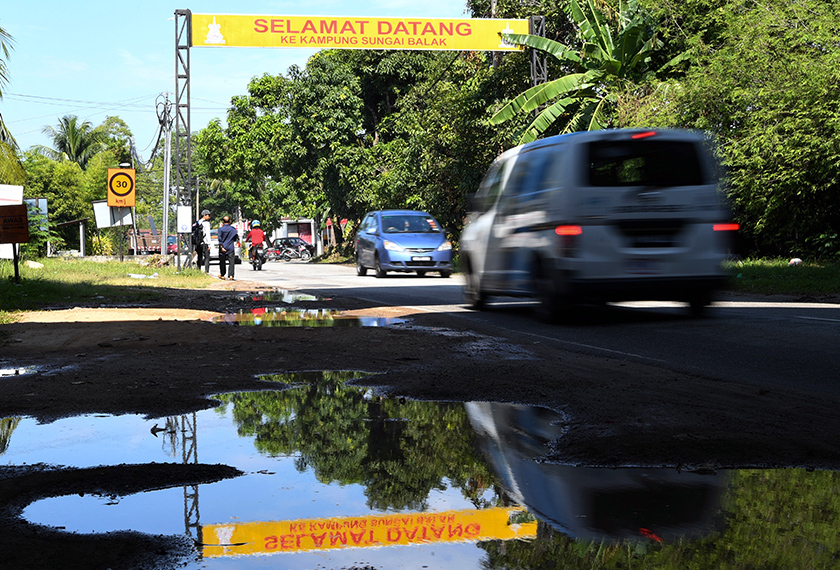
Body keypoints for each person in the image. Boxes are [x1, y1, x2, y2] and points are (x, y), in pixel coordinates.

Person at [217, 215, 238, 280]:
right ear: (230, 221)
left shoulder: (220, 229)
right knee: (231, 262)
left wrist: (221, 247)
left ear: (223, 221)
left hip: (222, 247)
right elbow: (235, 238)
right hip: (230, 247)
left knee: (222, 262)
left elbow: (220, 239)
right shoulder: (233, 230)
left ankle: (222, 274)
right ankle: (231, 275)